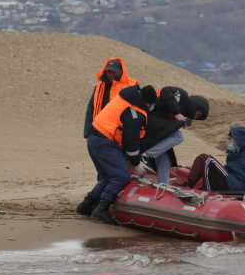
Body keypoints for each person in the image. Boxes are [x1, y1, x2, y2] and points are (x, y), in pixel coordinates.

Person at [76, 84, 158, 223]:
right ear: (148, 103)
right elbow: (130, 139)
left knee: (107, 177)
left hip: (95, 139)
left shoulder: (126, 98)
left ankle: (86, 206)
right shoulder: (134, 112)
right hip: (105, 142)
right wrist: (136, 163)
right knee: (121, 176)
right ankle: (101, 208)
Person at [138, 86, 209, 185]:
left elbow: (169, 128)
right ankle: (146, 156)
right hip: (150, 121)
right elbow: (165, 91)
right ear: (197, 105)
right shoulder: (183, 97)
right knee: (179, 136)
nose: (194, 117)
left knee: (165, 158)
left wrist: (180, 120)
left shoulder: (183, 117)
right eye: (197, 114)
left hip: (157, 131)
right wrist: (177, 113)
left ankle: (163, 185)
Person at [182, 126, 245, 192]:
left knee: (207, 159)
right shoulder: (232, 154)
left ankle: (208, 192)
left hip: (239, 186)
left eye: (229, 139)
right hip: (230, 181)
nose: (227, 141)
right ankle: (189, 184)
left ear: (238, 140)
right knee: (202, 159)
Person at [83, 57, 138, 139]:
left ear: (120, 71)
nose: (111, 75)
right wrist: (87, 133)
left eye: (114, 72)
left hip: (120, 134)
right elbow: (91, 109)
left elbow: (137, 111)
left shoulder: (131, 85)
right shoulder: (99, 87)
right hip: (99, 131)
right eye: (109, 72)